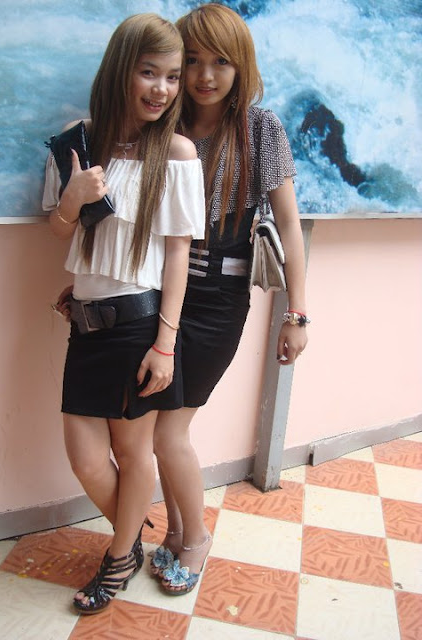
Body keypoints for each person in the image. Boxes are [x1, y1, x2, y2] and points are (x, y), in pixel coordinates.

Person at [43, 13, 205, 614]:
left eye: (171, 76)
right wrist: (72, 197)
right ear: (120, 71)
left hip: (139, 323)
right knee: (87, 458)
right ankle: (132, 541)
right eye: (148, 73)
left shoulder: (177, 152)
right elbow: (59, 229)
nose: (162, 89)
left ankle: (116, 558)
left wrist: (165, 344)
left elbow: (178, 254)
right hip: (85, 324)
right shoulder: (77, 142)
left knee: (135, 454)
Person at [150, 3, 309, 595]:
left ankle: (195, 538)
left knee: (168, 432)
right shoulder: (165, 121)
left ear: (241, 64)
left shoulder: (260, 128)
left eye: (220, 61)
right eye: (192, 60)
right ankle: (175, 532)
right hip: (159, 291)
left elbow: (289, 226)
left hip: (218, 300)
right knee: (156, 427)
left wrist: (296, 314)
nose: (204, 75)